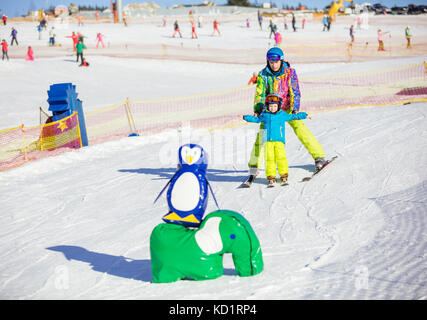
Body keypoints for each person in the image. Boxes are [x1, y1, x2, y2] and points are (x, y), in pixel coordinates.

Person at [246, 47, 326, 182]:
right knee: (262, 137)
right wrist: (259, 109)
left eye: (276, 62)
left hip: (287, 109)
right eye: (271, 62)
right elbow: (260, 93)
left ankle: (319, 156)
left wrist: (295, 108)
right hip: (270, 112)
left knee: (301, 129)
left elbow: (295, 91)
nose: (274, 64)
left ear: (281, 60)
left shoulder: (290, 73)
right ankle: (254, 166)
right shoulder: (263, 75)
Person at [243, 94, 309, 186]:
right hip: (267, 141)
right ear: (267, 106)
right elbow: (256, 119)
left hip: (279, 141)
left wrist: (303, 115)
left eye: (275, 106)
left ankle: (283, 175)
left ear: (279, 106)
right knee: (269, 159)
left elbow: (293, 117)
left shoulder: (282, 114)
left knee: (281, 157)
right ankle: (271, 176)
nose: (273, 108)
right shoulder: (265, 115)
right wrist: (246, 118)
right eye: (270, 106)